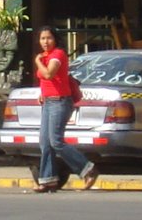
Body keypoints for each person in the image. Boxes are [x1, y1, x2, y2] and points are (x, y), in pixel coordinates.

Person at [32, 25, 99, 193]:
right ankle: (48, 180)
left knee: (56, 141)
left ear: (55, 39)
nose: (45, 42)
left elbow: (49, 74)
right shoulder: (46, 56)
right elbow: (47, 82)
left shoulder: (57, 55)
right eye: (42, 38)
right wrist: (42, 93)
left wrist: (38, 61)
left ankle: (87, 170)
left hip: (60, 102)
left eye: (49, 38)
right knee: (45, 142)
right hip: (48, 102)